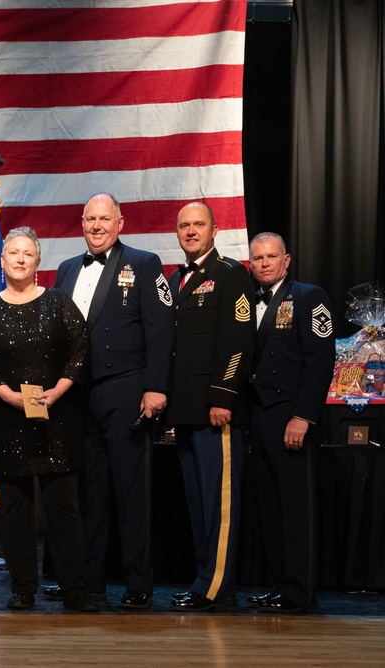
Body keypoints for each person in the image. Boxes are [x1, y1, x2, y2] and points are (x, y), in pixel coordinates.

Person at [53, 193, 173, 610]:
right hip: (76, 398)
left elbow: (161, 330)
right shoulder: (67, 269)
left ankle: (139, 584)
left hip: (126, 390)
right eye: (90, 219)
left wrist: (156, 387)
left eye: (105, 219)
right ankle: (90, 582)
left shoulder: (144, 263)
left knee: (131, 493)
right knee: (89, 495)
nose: (97, 226)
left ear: (120, 223)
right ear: (81, 222)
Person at [0, 227, 99, 613]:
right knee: (14, 511)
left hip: (57, 418)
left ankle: (75, 591)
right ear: (2, 260)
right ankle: (22, 589)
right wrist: (6, 395)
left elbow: (81, 350)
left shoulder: (59, 302)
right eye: (13, 252)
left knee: (63, 509)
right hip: (5, 419)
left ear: (38, 262)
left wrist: (60, 390)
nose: (19, 258)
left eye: (27, 253)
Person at [166, 202, 255, 611]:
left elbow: (238, 342)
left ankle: (215, 587)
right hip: (185, 412)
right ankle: (206, 580)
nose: (190, 231)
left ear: (214, 230)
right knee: (199, 503)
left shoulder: (231, 273)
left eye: (198, 224)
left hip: (214, 410)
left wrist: (223, 397)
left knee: (219, 506)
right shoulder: (176, 279)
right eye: (184, 225)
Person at [246, 232, 334, 613]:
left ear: (287, 260)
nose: (264, 263)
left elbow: (320, 361)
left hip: (290, 415)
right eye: (257, 258)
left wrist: (303, 416)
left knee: (296, 507)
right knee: (271, 506)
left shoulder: (309, 297)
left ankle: (299, 591)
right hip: (259, 414)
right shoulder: (246, 301)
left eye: (271, 257)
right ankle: (279, 584)